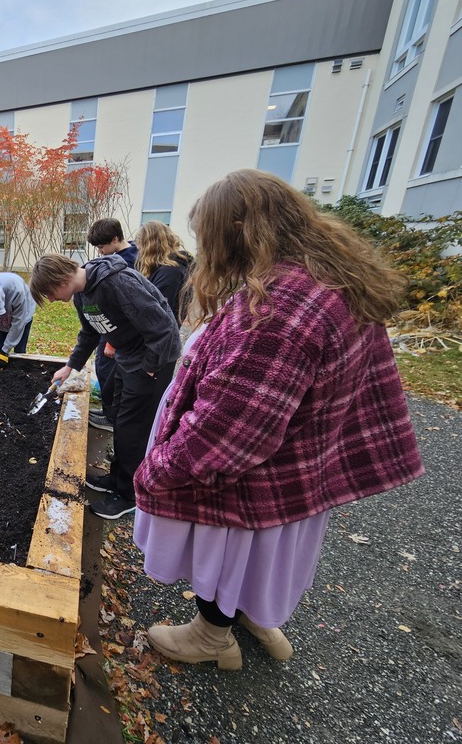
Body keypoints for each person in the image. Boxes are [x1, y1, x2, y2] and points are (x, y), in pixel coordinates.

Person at [132, 169, 424, 670]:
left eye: (213, 236)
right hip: (300, 464)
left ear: (240, 230)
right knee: (260, 553)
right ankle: (252, 613)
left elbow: (232, 428)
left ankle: (211, 637)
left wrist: (160, 468)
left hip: (255, 478)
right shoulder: (330, 278)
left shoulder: (278, 308)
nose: (209, 251)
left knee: (229, 547)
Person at [29, 252, 181, 519]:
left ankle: (130, 495)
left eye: (49, 293)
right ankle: (117, 479)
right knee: (120, 421)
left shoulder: (118, 282)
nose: (51, 300)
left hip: (151, 362)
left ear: (59, 279)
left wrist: (148, 367)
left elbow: (164, 327)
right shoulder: (83, 297)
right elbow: (90, 333)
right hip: (128, 358)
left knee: (133, 429)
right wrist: (70, 366)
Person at [85, 218, 138, 432]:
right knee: (103, 368)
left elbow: (127, 308)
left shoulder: (129, 262)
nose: (100, 251)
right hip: (107, 328)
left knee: (110, 373)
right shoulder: (117, 257)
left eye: (101, 246)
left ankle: (111, 419)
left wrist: (113, 342)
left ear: (115, 239)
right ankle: (108, 412)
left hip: (117, 334)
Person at [133, 220, 192, 323]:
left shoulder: (171, 272)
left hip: (159, 335)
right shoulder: (161, 268)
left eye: (140, 246)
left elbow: (156, 311)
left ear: (149, 246)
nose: (139, 251)